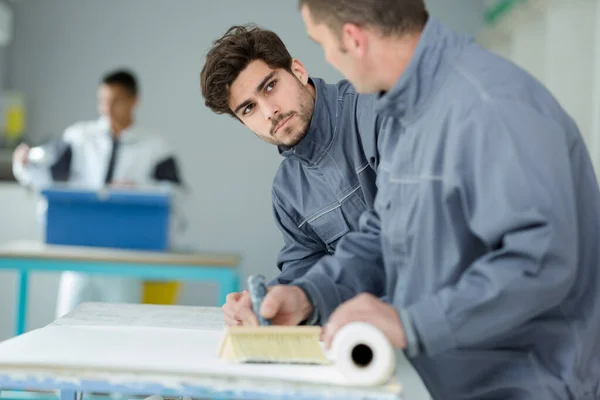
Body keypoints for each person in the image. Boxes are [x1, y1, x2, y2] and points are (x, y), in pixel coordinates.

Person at [254, 0, 600, 398]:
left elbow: (541, 261)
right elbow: (385, 234)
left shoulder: (489, 104)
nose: (327, 60)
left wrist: (410, 323)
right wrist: (308, 295)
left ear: (353, 39)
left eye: (322, 43)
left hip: (528, 384)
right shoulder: (408, 113)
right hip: (444, 379)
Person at [199, 25, 381, 326]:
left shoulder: (373, 110)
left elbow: (403, 229)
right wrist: (268, 302)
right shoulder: (287, 191)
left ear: (297, 70)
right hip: (366, 338)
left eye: (269, 86)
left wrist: (309, 295)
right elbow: (304, 270)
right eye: (248, 109)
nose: (269, 112)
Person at [13, 69, 186, 319]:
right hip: (79, 252)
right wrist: (24, 164)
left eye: (115, 100)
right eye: (102, 100)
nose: (107, 108)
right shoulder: (79, 136)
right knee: (67, 327)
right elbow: (49, 176)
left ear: (134, 101)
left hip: (125, 256)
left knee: (120, 328)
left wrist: (138, 191)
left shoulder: (154, 146)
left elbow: (176, 196)